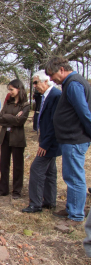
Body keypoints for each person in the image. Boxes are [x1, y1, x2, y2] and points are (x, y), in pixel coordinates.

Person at [45, 57, 91, 226]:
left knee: (75, 177)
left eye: (52, 74)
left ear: (62, 69)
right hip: (70, 138)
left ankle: (76, 215)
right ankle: (72, 208)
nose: (51, 79)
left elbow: (84, 112)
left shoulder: (73, 84)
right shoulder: (71, 83)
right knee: (70, 176)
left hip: (74, 138)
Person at [22, 70, 62, 213]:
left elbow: (55, 122)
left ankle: (36, 203)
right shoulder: (46, 96)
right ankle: (50, 201)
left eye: (36, 82)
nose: (35, 85)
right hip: (47, 140)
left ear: (46, 81)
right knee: (50, 171)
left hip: (50, 142)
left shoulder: (55, 96)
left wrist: (45, 143)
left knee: (36, 169)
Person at [0, 79, 30, 199]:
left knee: (18, 166)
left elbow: (20, 121)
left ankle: (17, 191)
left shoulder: (25, 105)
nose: (10, 92)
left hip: (17, 138)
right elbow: (0, 119)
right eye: (8, 90)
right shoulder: (7, 103)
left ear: (19, 89)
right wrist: (12, 117)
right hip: (5, 137)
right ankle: (3, 189)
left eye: (12, 89)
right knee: (4, 164)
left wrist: (7, 117)